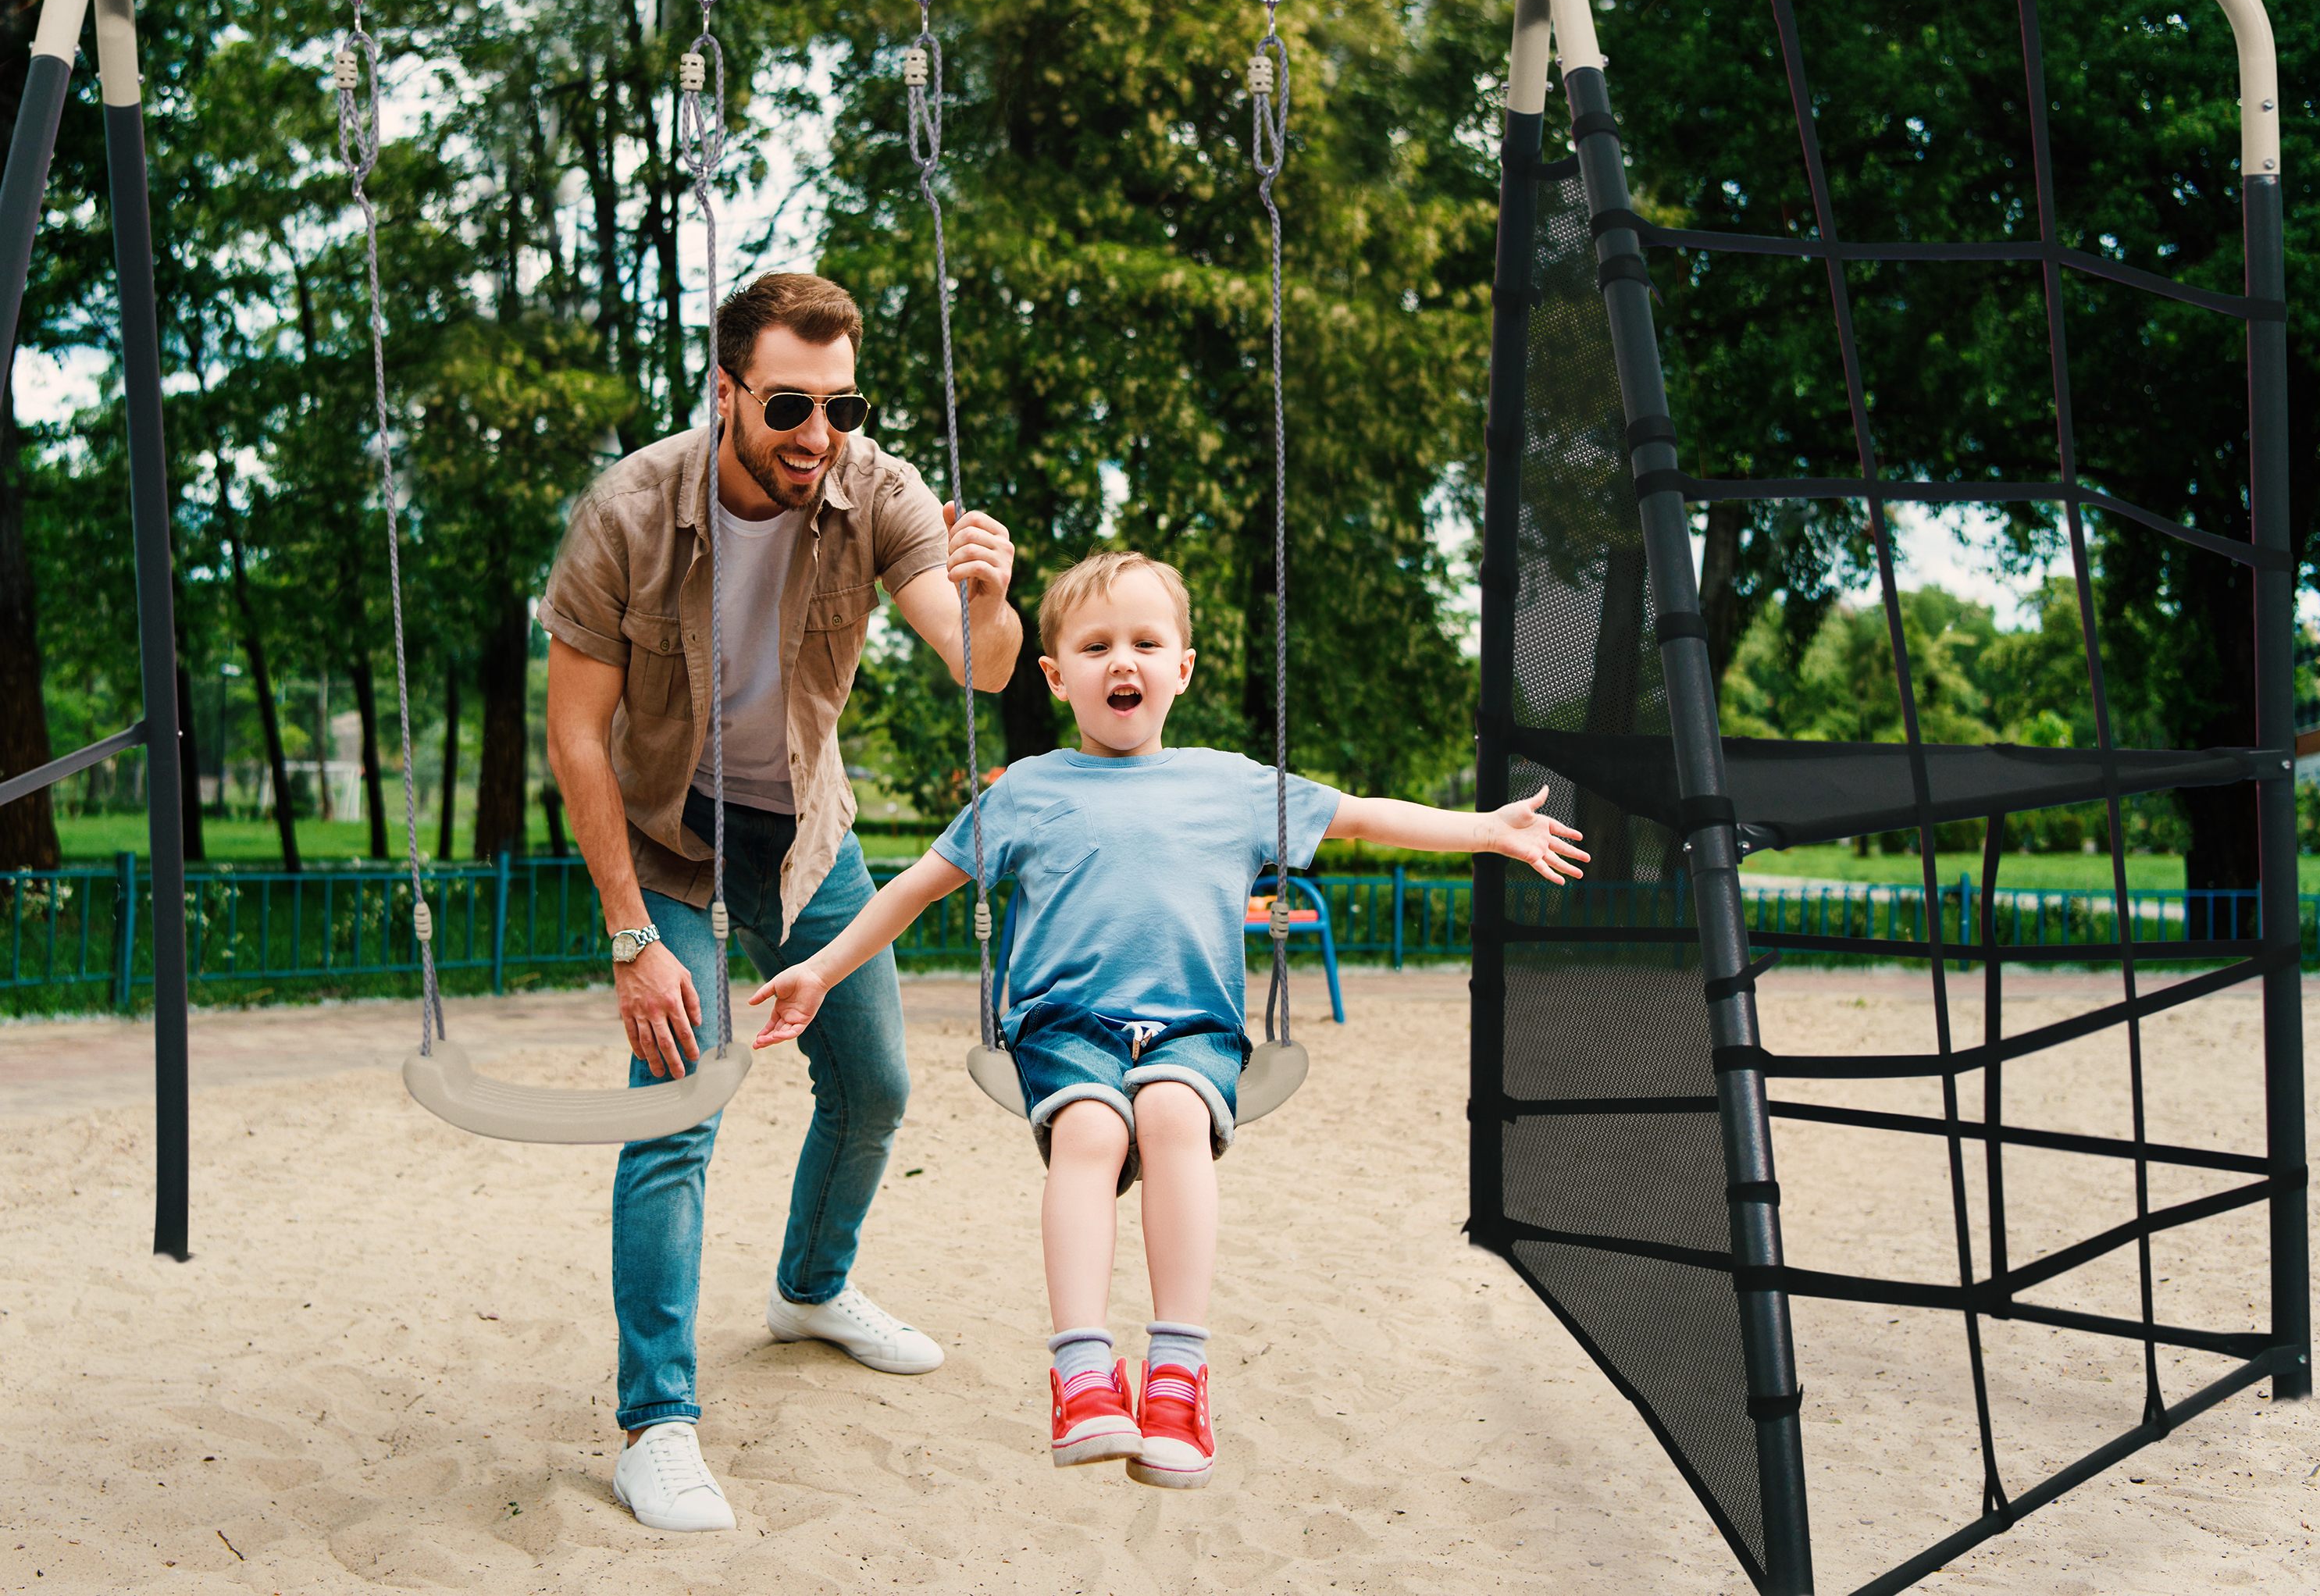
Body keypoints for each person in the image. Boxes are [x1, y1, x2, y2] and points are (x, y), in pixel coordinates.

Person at [744, 550, 1588, 1489]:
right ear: (1057, 676)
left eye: (1147, 643)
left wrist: (1485, 828)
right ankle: (1082, 1374)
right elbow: (913, 888)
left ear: (1181, 668)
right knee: (1093, 1131)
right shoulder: (1026, 790)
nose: (1123, 662)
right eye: (1097, 645)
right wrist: (818, 970)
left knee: (1174, 1117)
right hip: (1064, 1026)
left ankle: (1178, 1373)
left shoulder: (1230, 785)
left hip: (1194, 1029)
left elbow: (1360, 817)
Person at [539, 271, 1022, 1532]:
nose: (819, 434)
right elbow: (577, 738)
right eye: (791, 405)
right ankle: (657, 1422)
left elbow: (978, 663)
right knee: (681, 1110)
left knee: (876, 1084)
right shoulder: (630, 509)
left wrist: (993, 594)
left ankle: (811, 1289)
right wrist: (632, 936)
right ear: (728, 390)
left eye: (843, 404)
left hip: (806, 831)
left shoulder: (878, 487)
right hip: (664, 839)